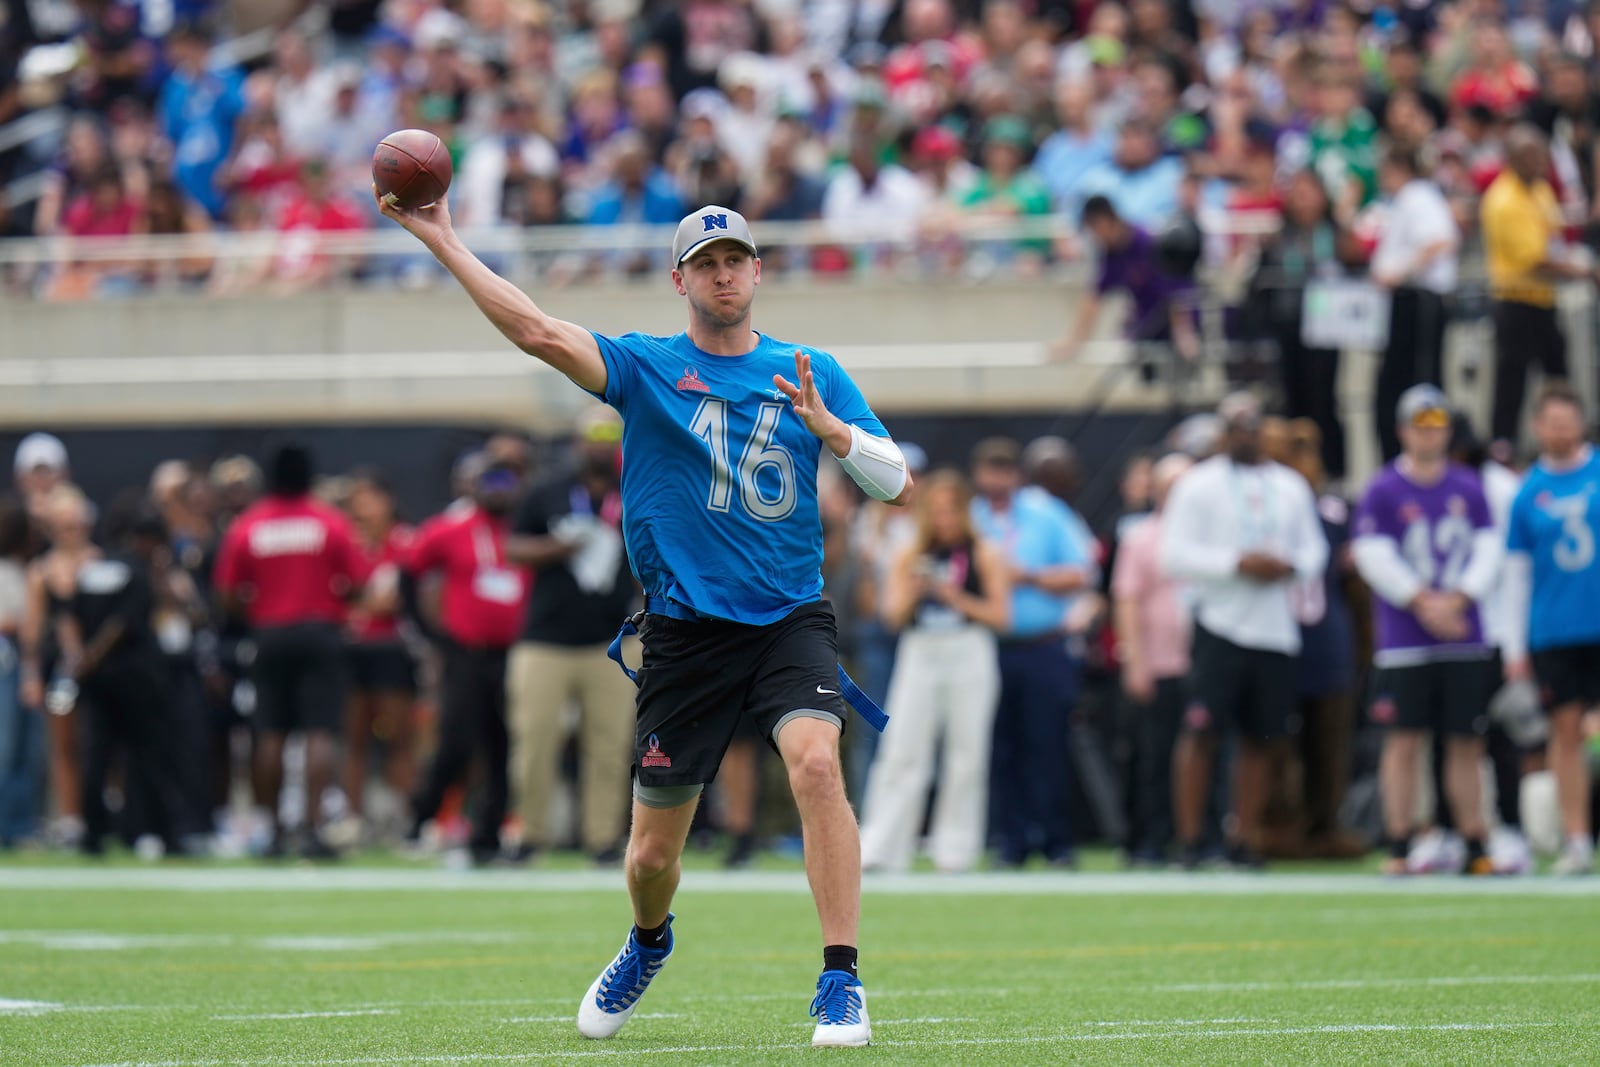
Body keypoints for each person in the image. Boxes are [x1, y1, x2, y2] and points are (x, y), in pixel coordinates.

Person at [379, 190, 911, 1047]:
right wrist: (442, 236)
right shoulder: (647, 365)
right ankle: (648, 941)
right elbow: (539, 332)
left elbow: (898, 482)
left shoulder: (812, 369)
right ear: (679, 279)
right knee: (652, 856)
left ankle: (841, 977)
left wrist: (835, 434)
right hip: (684, 629)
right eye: (707, 263)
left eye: (735, 259)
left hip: (788, 617)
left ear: (758, 269)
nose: (724, 273)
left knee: (817, 762)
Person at [1158, 392, 1329, 869]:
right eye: (1235, 426)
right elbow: (1172, 553)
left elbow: (1315, 552)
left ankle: (1242, 838)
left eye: (1252, 426)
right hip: (1220, 622)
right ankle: (1191, 840)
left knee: (1262, 739)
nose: (1245, 434)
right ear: (1222, 432)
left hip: (1274, 627)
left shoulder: (1290, 486)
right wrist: (1235, 564)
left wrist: (1288, 567)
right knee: (1201, 733)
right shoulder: (1197, 485)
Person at [1351, 385, 1501, 876]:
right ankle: (1400, 838)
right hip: (1405, 640)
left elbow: (1486, 551)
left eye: (1436, 427)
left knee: (1465, 740)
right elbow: (1374, 556)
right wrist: (1422, 600)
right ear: (1402, 431)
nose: (1429, 435)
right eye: (1420, 426)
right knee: (1403, 738)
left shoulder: (1468, 487)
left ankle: (1474, 839)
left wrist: (1458, 599)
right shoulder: (1383, 488)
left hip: (1462, 633)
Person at [213, 445, 371, 859]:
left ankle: (275, 832)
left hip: (269, 633)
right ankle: (316, 830)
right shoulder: (329, 522)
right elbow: (358, 581)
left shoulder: (250, 524)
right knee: (321, 732)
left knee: (270, 734)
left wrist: (258, 608)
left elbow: (227, 591)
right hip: (321, 631)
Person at [858, 470, 1009, 873]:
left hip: (969, 648)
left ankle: (955, 848)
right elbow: (891, 615)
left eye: (951, 511)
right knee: (902, 747)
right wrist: (916, 588)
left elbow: (999, 615)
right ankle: (882, 846)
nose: (943, 520)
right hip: (920, 649)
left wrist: (953, 596)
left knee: (966, 751)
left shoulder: (984, 552)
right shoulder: (910, 553)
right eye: (936, 511)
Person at [505, 408, 637, 866]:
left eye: (609, 435)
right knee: (534, 741)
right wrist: (558, 547)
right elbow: (514, 547)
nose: (599, 445)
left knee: (610, 745)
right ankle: (529, 835)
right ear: (577, 442)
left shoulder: (634, 490)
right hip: (545, 640)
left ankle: (602, 840)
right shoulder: (547, 491)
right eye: (592, 435)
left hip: (612, 640)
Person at [969, 437, 1091, 868]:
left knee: (1048, 743)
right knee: (1001, 748)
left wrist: (1028, 577)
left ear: (1017, 475)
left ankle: (1056, 841)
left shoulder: (1047, 513)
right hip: (988, 647)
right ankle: (1010, 841)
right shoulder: (972, 519)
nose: (997, 479)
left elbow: (1080, 572)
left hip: (1043, 645)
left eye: (1005, 470)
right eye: (989, 470)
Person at [401, 460, 529, 866]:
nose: (498, 491)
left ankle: (488, 834)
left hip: (514, 652)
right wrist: (430, 633)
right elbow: (409, 571)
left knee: (503, 743)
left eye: (506, 482)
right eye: (490, 482)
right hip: (466, 652)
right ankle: (421, 818)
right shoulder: (451, 528)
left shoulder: (527, 530)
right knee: (456, 741)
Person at [1503, 381, 1600, 875]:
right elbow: (1517, 576)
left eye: (1570, 420)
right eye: (1553, 422)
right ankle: (1578, 839)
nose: (1562, 430)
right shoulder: (1527, 494)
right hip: (1556, 630)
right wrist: (1514, 646)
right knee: (1564, 733)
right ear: (1538, 427)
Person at [59, 506, 195, 856]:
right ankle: (167, 834)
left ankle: (94, 834)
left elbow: (70, 617)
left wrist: (79, 659)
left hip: (98, 681)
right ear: (148, 541)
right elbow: (123, 623)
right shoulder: (139, 571)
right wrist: (92, 655)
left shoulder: (92, 569)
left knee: (97, 756)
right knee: (152, 757)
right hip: (136, 679)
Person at [1481, 125, 1590, 449]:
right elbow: (1535, 261)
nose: (1539, 162)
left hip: (1544, 300)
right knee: (1511, 379)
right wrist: (1584, 272)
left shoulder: (1540, 189)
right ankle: (1503, 446)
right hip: (1516, 301)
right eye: (1530, 156)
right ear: (1512, 159)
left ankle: (1568, 436)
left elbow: (1554, 232)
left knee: (1558, 373)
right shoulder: (1503, 200)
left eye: (1541, 155)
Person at [341, 468, 416, 843]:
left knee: (399, 736)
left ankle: (404, 818)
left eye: (369, 498)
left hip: (391, 650)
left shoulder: (404, 542)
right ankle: (353, 820)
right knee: (353, 737)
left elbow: (390, 602)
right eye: (356, 500)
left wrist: (358, 605)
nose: (362, 508)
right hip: (352, 650)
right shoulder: (346, 543)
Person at [1370, 149, 1459, 464]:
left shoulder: (1418, 196)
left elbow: (1440, 241)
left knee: (1419, 385)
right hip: (1405, 302)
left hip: (1418, 302)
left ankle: (1423, 456)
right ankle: (1399, 458)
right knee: (1394, 387)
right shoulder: (1407, 201)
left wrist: (1400, 273)